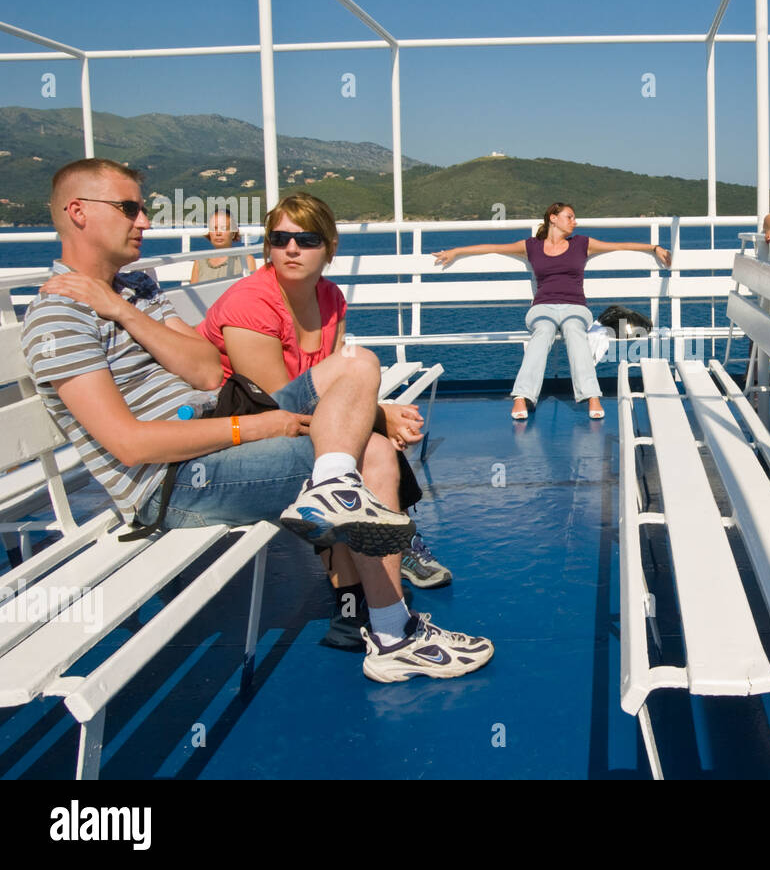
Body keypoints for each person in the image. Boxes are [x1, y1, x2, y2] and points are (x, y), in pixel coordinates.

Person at [22, 158, 490, 683]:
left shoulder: (135, 291)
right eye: (130, 208)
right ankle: (392, 634)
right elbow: (130, 445)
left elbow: (203, 369)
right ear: (78, 212)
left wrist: (123, 311)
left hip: (217, 435)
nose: (146, 222)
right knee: (373, 451)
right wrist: (253, 429)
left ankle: (335, 491)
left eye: (144, 209)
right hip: (172, 481)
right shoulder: (60, 317)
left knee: (358, 363)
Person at [197, 193, 452, 641]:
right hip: (239, 429)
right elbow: (279, 409)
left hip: (290, 416)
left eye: (307, 238)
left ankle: (358, 608)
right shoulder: (251, 305)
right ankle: (372, 585)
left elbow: (333, 392)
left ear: (329, 247)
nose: (292, 249)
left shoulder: (329, 297)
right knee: (363, 444)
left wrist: (374, 414)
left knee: (362, 436)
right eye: (281, 239)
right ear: (268, 247)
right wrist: (376, 417)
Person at [433, 202, 671, 421]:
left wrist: (654, 247)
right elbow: (494, 247)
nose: (574, 222)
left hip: (575, 307)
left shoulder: (582, 244)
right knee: (543, 330)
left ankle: (591, 395)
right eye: (570, 217)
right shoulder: (531, 246)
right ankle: (521, 396)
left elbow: (620, 245)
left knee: (574, 330)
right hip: (542, 308)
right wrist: (456, 252)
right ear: (553, 218)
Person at [190, 208, 256, 283]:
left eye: (224, 228)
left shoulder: (246, 260)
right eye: (214, 228)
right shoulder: (199, 262)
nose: (218, 233)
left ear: (233, 233)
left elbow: (252, 291)